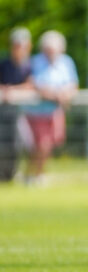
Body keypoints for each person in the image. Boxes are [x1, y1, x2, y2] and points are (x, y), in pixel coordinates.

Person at [24, 31, 78, 185]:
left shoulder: (66, 62)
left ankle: (35, 174)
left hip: (55, 111)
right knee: (41, 144)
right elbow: (34, 84)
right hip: (37, 111)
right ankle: (35, 175)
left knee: (49, 145)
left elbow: (73, 83)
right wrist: (54, 94)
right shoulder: (35, 62)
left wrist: (64, 94)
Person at [0, 27, 34, 181]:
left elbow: (31, 85)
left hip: (24, 113)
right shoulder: (4, 64)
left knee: (25, 143)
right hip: (5, 113)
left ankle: (25, 174)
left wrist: (12, 90)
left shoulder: (30, 65)